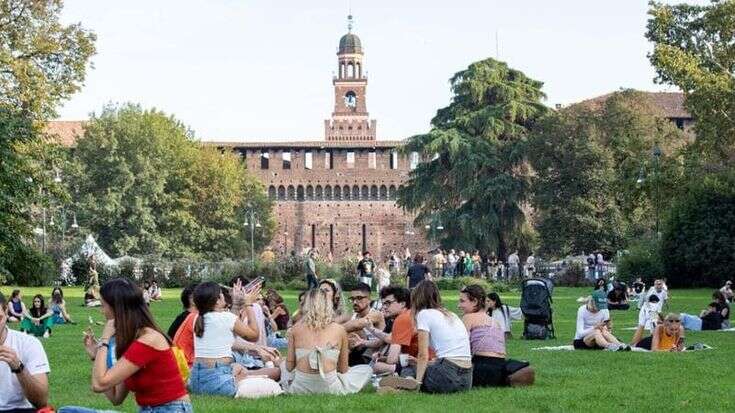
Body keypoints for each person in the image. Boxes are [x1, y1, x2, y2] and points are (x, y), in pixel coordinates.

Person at [78, 278, 191, 412]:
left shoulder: (149, 340)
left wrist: (105, 340)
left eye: (103, 305)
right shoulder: (132, 340)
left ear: (116, 308)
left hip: (170, 409)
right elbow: (116, 397)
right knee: (68, 410)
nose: (101, 311)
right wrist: (96, 356)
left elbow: (98, 384)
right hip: (150, 410)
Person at [381, 280, 472, 393]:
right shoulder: (451, 315)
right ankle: (406, 384)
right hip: (466, 380)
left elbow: (423, 355)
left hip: (446, 375)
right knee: (416, 364)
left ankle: (409, 385)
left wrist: (418, 384)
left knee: (408, 367)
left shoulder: (424, 314)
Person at [285, 289, 372, 394]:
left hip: (300, 388)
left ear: (306, 305)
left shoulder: (295, 329)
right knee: (366, 369)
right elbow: (343, 370)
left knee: (282, 366)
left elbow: (289, 367)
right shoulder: (340, 330)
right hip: (330, 388)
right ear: (328, 305)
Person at [189, 281, 261, 397]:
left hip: (196, 381)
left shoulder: (198, 319)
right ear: (217, 300)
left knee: (239, 367)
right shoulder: (226, 318)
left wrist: (237, 304)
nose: (224, 295)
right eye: (222, 293)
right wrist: (248, 304)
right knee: (273, 375)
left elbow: (228, 328)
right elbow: (254, 336)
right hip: (217, 381)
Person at [458, 285, 534, 387]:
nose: (459, 305)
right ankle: (510, 376)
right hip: (499, 367)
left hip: (481, 366)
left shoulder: (468, 318)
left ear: (475, 302)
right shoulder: (494, 321)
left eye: (462, 301)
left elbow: (462, 347)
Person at [0, 291, 50, 412]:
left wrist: (19, 368)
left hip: (17, 410)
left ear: (6, 312)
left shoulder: (28, 343)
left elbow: (41, 401)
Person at [342, 283, 385, 366]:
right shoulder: (351, 315)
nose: (355, 302)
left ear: (369, 299)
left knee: (355, 331)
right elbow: (333, 321)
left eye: (359, 298)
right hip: (355, 354)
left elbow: (357, 325)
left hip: (371, 356)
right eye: (352, 299)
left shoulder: (376, 314)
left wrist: (334, 330)